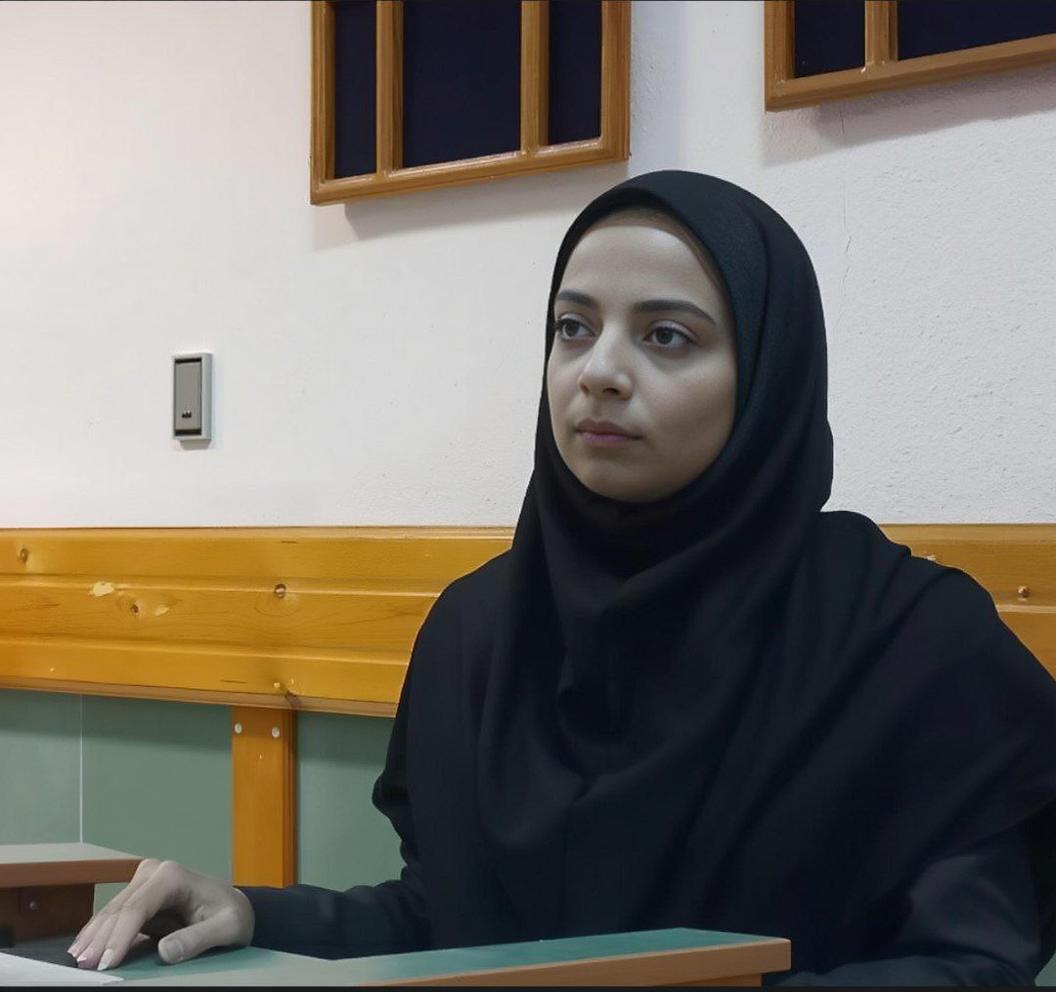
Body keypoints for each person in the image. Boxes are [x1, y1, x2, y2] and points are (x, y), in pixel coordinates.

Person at [67, 171, 1056, 984]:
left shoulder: (911, 643)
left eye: (667, 335)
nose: (600, 371)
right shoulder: (481, 632)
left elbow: (972, 965)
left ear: (768, 378)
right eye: (573, 327)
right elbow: (447, 927)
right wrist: (257, 912)